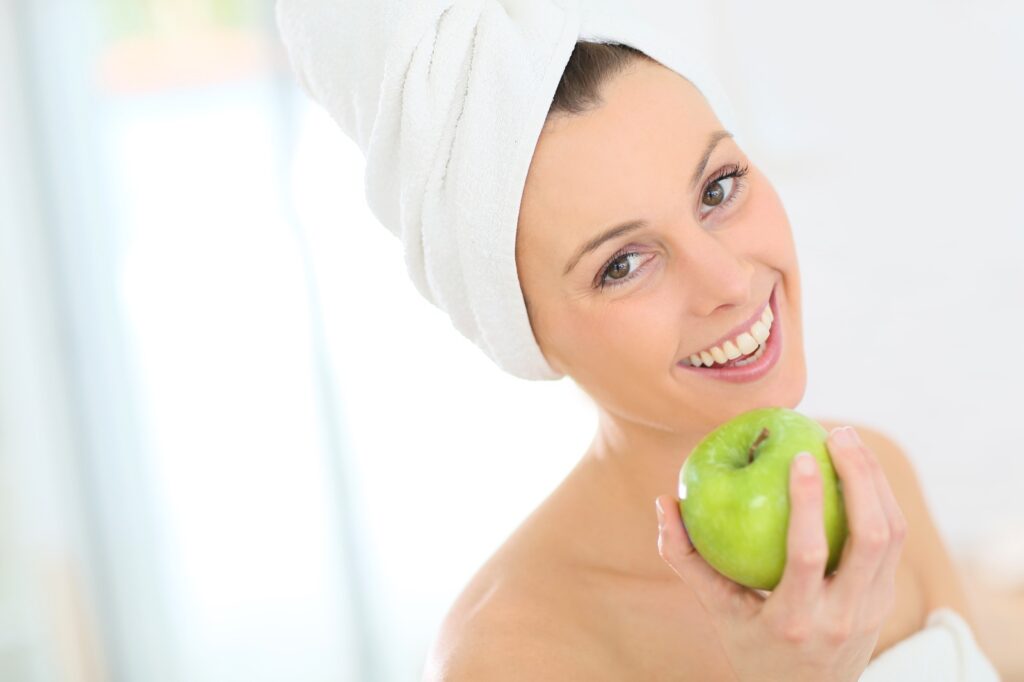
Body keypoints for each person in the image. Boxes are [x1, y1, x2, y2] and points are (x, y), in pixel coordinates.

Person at [421, 41, 989, 681]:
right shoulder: (506, 655)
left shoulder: (874, 483)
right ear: (525, 336)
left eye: (718, 189)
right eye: (624, 264)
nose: (728, 281)